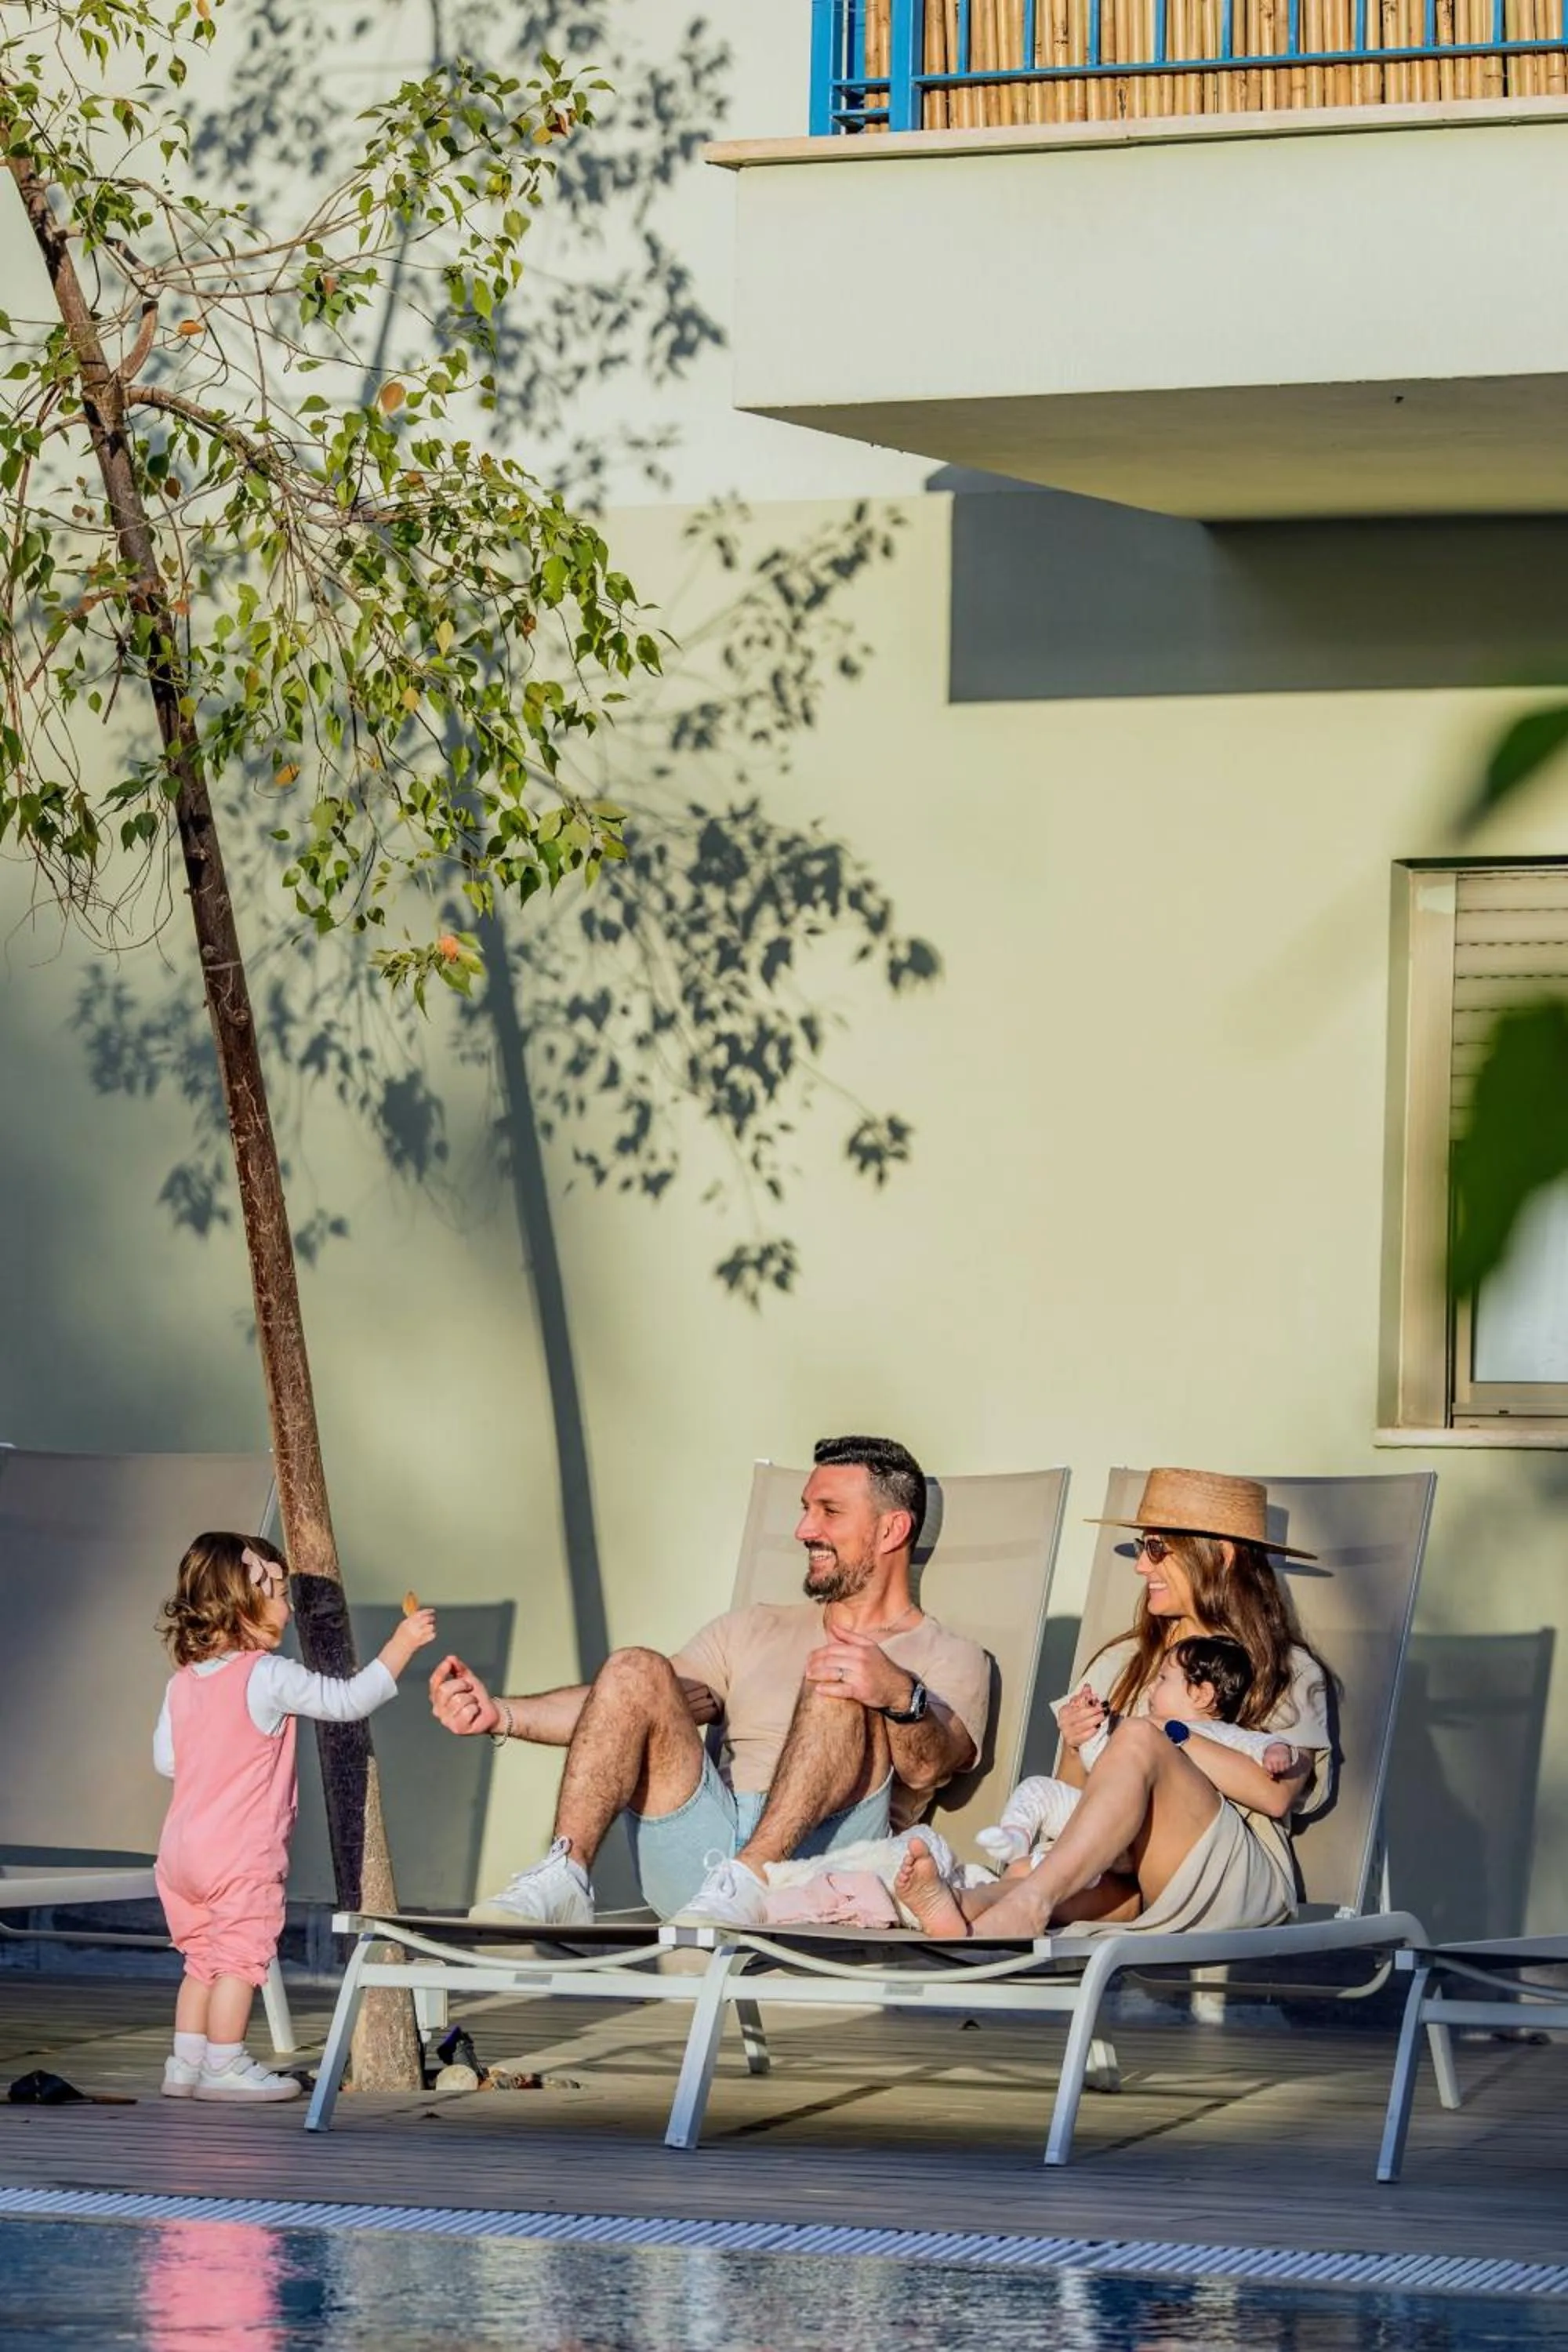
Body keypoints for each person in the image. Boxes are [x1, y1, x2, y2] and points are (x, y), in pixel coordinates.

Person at [428, 1436, 992, 1928]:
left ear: (892, 1529)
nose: (803, 1529)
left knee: (837, 1674)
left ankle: (750, 1879)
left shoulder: (952, 1656)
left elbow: (929, 1767)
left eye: (828, 1511)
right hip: (703, 1867)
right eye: (804, 1509)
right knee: (633, 1667)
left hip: (824, 1864)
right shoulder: (751, 1627)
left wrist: (897, 1693)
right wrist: (498, 1714)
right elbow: (622, 1705)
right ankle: (567, 1875)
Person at [894, 1467, 1334, 1940]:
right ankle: (958, 1908)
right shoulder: (1120, 1661)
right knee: (1042, 1869)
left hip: (1233, 1882)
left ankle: (1030, 1904)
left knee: (1139, 1739)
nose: (1141, 1567)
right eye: (1141, 1549)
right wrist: (1074, 1742)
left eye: (1157, 1549)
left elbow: (1276, 1794)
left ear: (1221, 1556)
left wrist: (1167, 1737)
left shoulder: (1285, 1667)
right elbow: (1074, 1804)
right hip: (1133, 1880)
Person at [153, 1532, 437, 2100]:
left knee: (201, 1959)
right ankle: (224, 2064)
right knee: (238, 1958)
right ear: (243, 1602)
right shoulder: (267, 1675)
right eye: (278, 1592)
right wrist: (402, 1646)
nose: (287, 1606)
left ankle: (184, 2064)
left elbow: (167, 1761)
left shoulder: (181, 1684)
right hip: (239, 1853)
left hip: (181, 1851)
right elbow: (346, 1701)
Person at [976, 1635, 1298, 1870]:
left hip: (1144, 1835)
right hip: (1107, 1817)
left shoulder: (1220, 1734)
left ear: (1201, 1694)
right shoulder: (1139, 1725)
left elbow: (1256, 1746)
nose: (1150, 1689)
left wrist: (1275, 1751)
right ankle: (1016, 1837)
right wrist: (1091, 1732)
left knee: (1062, 1859)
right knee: (1036, 1791)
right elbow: (1101, 1764)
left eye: (1162, 1679)